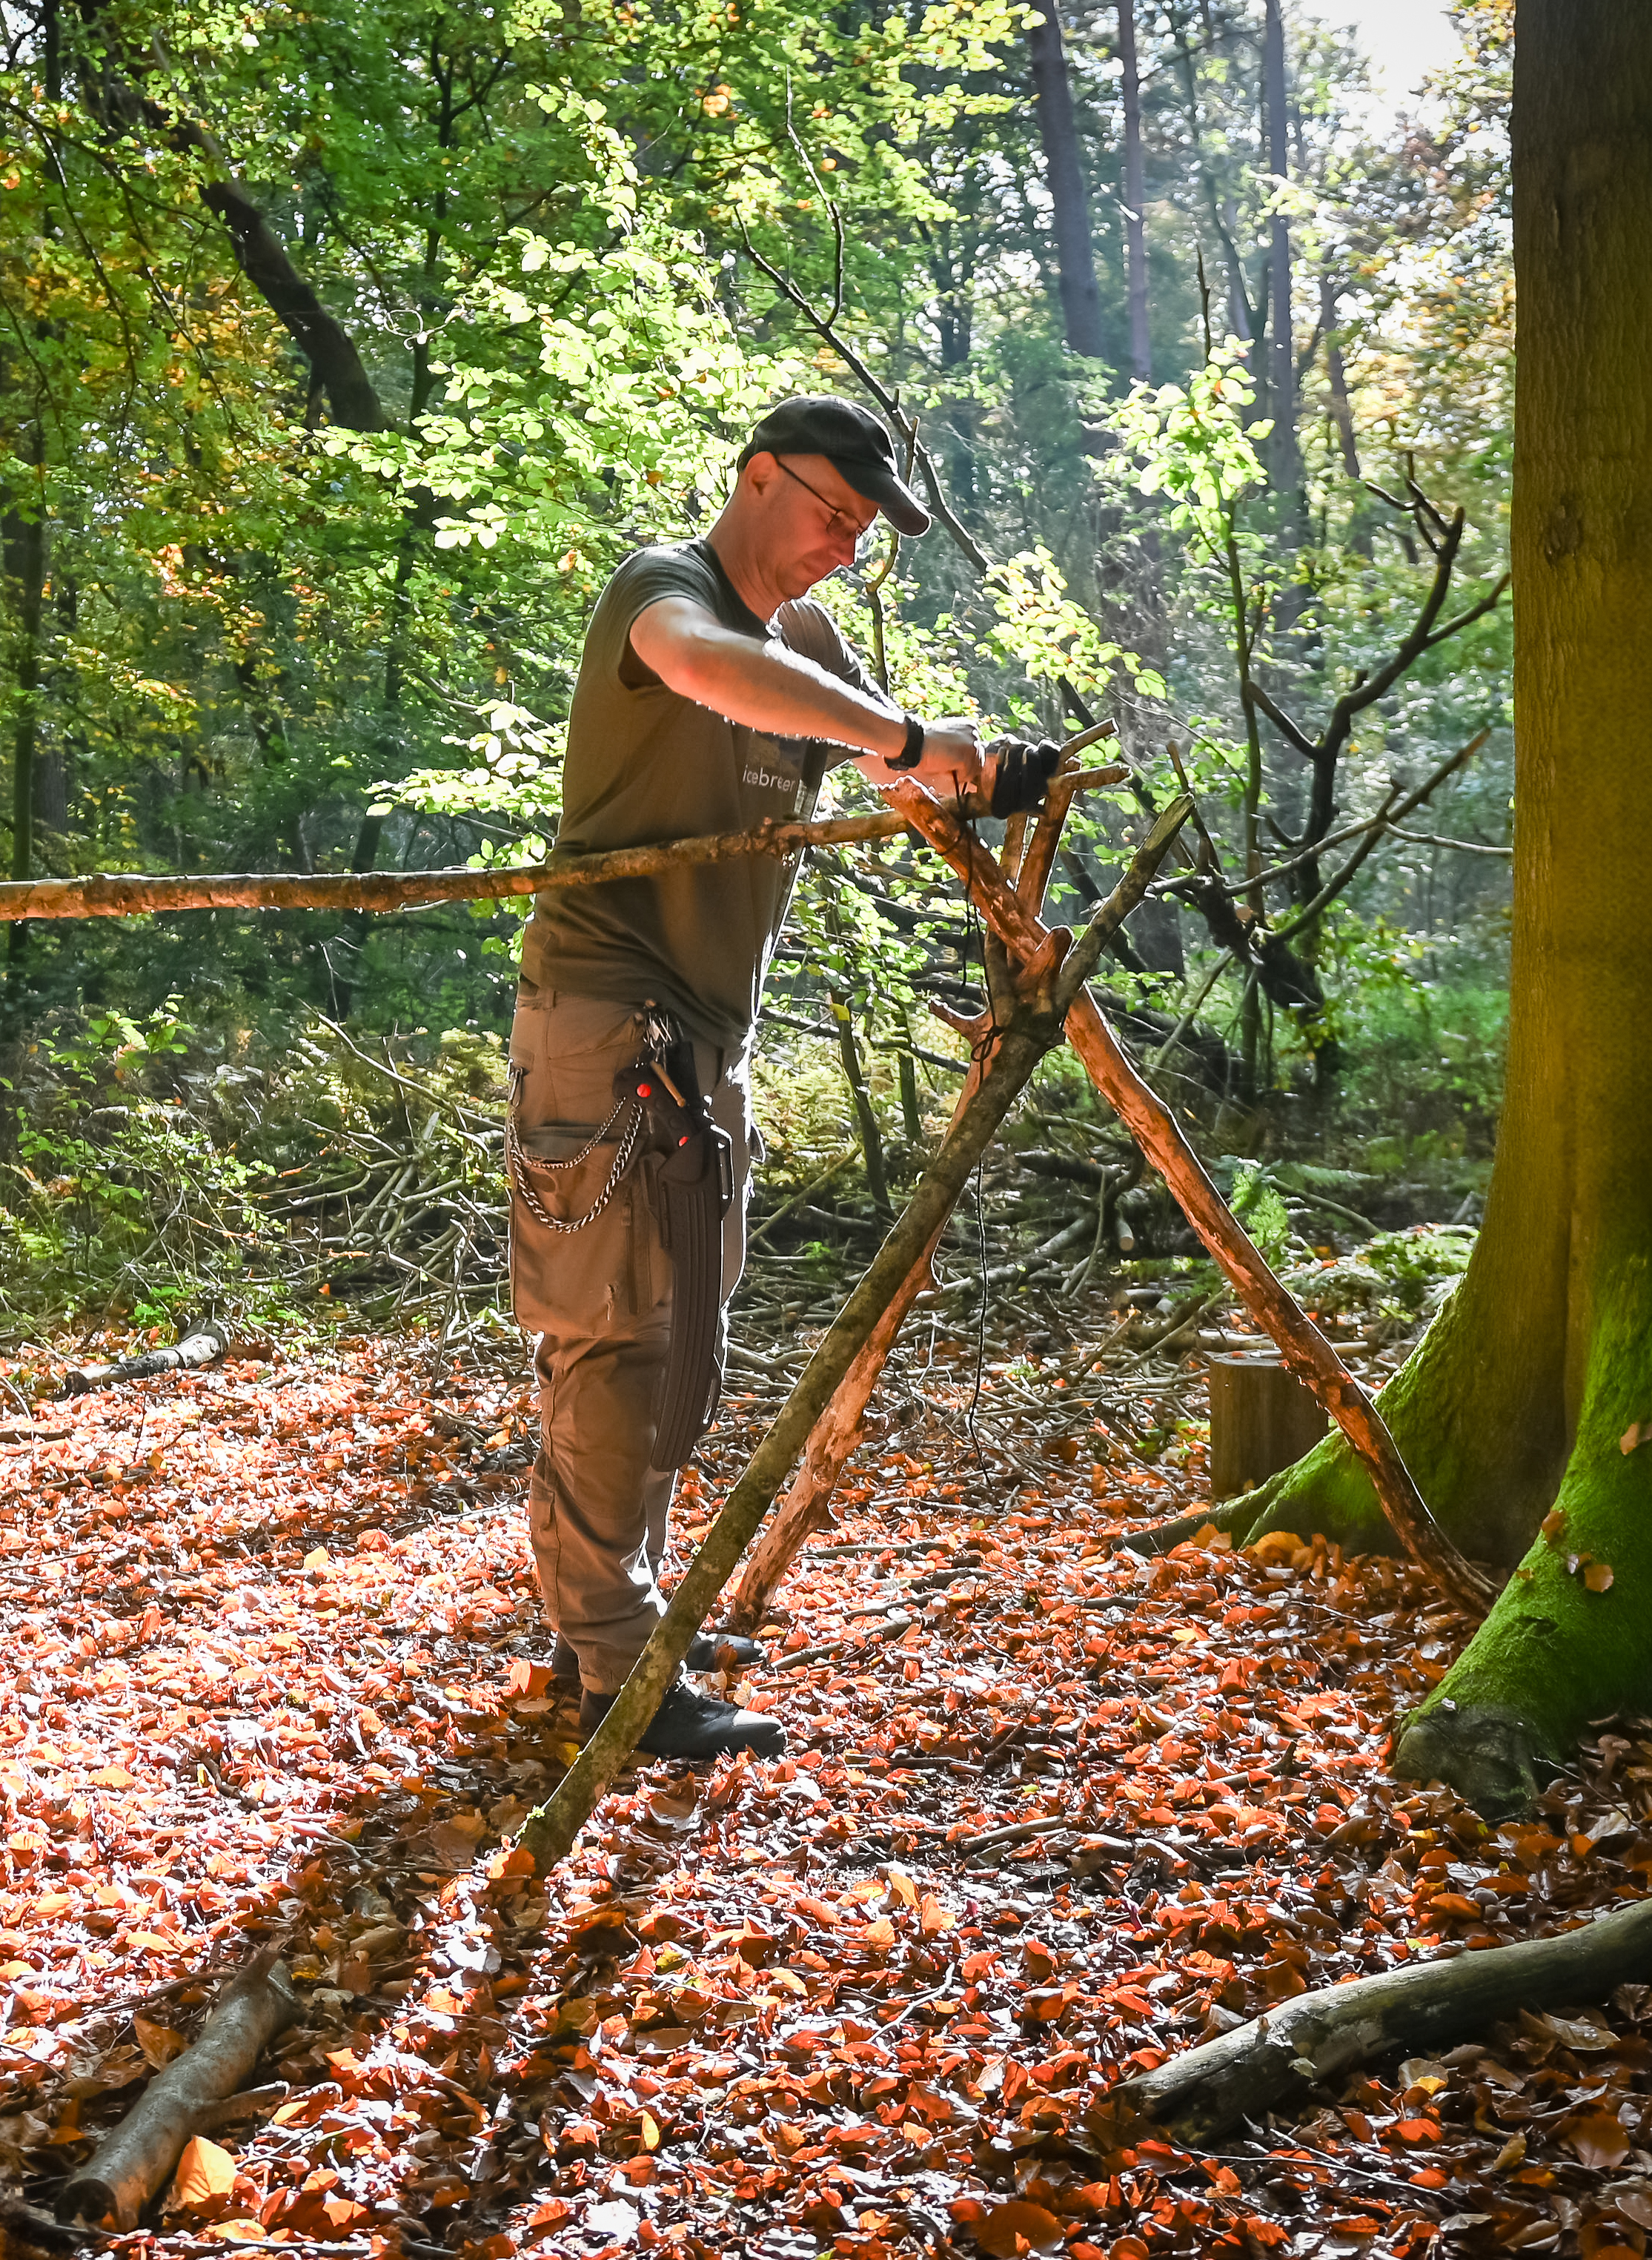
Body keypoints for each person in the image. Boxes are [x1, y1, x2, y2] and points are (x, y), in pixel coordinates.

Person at [511, 393, 1036, 1761]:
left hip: (705, 1039)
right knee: (615, 1332)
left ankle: (617, 1622)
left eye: (863, 529)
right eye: (829, 512)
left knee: (684, 1344)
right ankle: (616, 1667)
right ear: (754, 480)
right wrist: (909, 736)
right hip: (607, 1014)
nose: (842, 547)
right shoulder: (665, 591)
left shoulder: (806, 640)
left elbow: (886, 763)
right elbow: (706, 671)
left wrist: (975, 768)